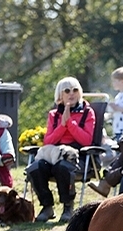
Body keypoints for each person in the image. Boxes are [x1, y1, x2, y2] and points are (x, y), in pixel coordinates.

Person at [28, 77, 95, 223]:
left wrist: (69, 122)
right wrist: (63, 124)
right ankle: (47, 206)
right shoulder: (54, 114)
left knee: (63, 167)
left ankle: (67, 207)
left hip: (78, 156)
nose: (71, 94)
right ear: (60, 95)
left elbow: (86, 140)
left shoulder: (87, 112)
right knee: (35, 167)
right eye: (67, 91)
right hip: (54, 154)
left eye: (75, 90)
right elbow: (49, 140)